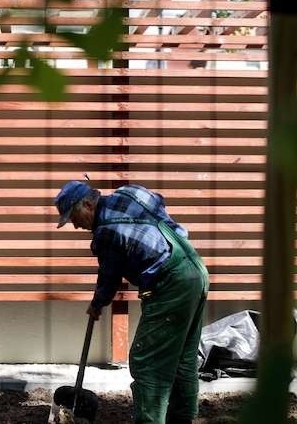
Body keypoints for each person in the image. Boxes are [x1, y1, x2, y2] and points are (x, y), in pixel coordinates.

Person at [54, 180, 209, 424]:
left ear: (87, 203)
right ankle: (182, 419)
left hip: (171, 283)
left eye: (73, 217)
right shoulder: (129, 193)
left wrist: (97, 304)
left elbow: (110, 276)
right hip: (196, 271)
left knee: (146, 362)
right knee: (183, 360)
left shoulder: (106, 232)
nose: (75, 225)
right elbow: (157, 200)